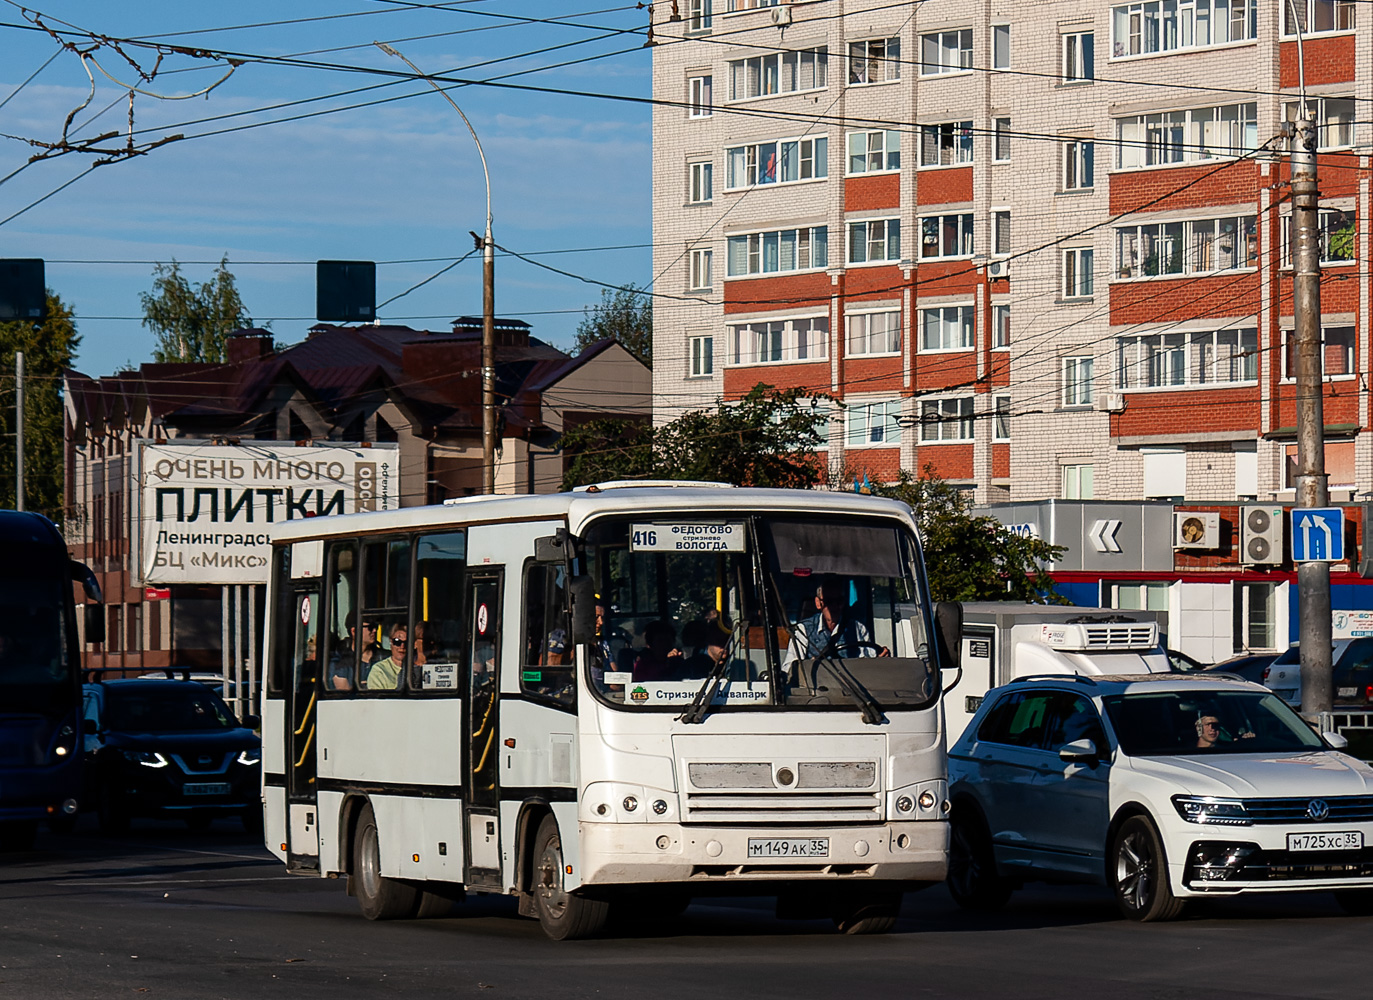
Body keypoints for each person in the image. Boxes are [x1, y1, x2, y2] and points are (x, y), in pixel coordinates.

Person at [782, 576, 888, 670]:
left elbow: (868, 666)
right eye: (829, 601)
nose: (834, 607)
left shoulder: (858, 629)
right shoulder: (803, 630)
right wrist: (808, 666)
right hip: (816, 689)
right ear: (818, 603)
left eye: (839, 601)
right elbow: (789, 668)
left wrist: (880, 660)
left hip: (852, 689)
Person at [366, 623, 406, 691]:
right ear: (390, 641)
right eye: (397, 642)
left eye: (407, 642)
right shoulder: (379, 670)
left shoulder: (417, 668)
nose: (402, 646)